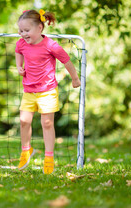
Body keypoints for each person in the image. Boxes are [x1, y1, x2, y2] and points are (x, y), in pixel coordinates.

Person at [15, 9, 81, 174]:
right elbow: (18, 51)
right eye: (21, 31)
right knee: (24, 121)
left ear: (39, 28)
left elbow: (66, 60)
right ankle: (26, 150)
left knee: (47, 123)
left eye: (26, 30)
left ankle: (49, 157)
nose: (23, 34)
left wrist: (75, 78)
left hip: (47, 91)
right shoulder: (21, 43)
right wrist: (18, 66)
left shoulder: (51, 45)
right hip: (29, 90)